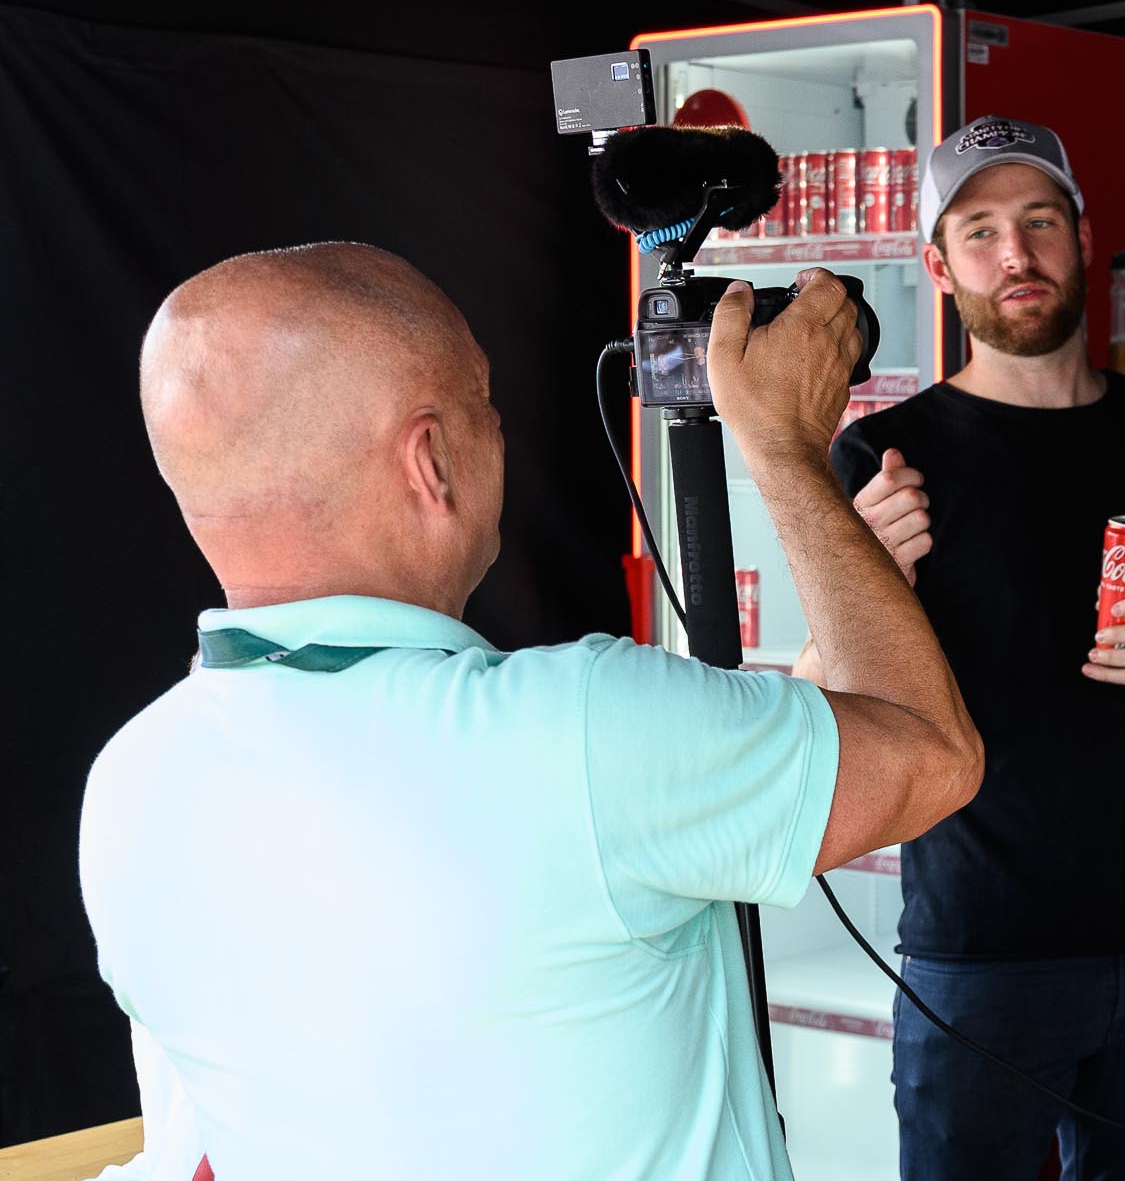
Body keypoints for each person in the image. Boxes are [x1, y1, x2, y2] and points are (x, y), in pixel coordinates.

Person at [78, 242, 982, 1180]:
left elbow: (191, 1141)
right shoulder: (580, 726)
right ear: (429, 459)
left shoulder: (131, 786)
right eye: (484, 404)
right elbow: (928, 752)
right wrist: (787, 448)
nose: (500, 430)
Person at [792, 115, 1125, 1180]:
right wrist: (865, 578)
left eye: (1039, 222)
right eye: (979, 232)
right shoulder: (880, 456)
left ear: (1082, 236)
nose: (1016, 255)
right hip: (980, 953)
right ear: (937, 264)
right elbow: (813, 701)